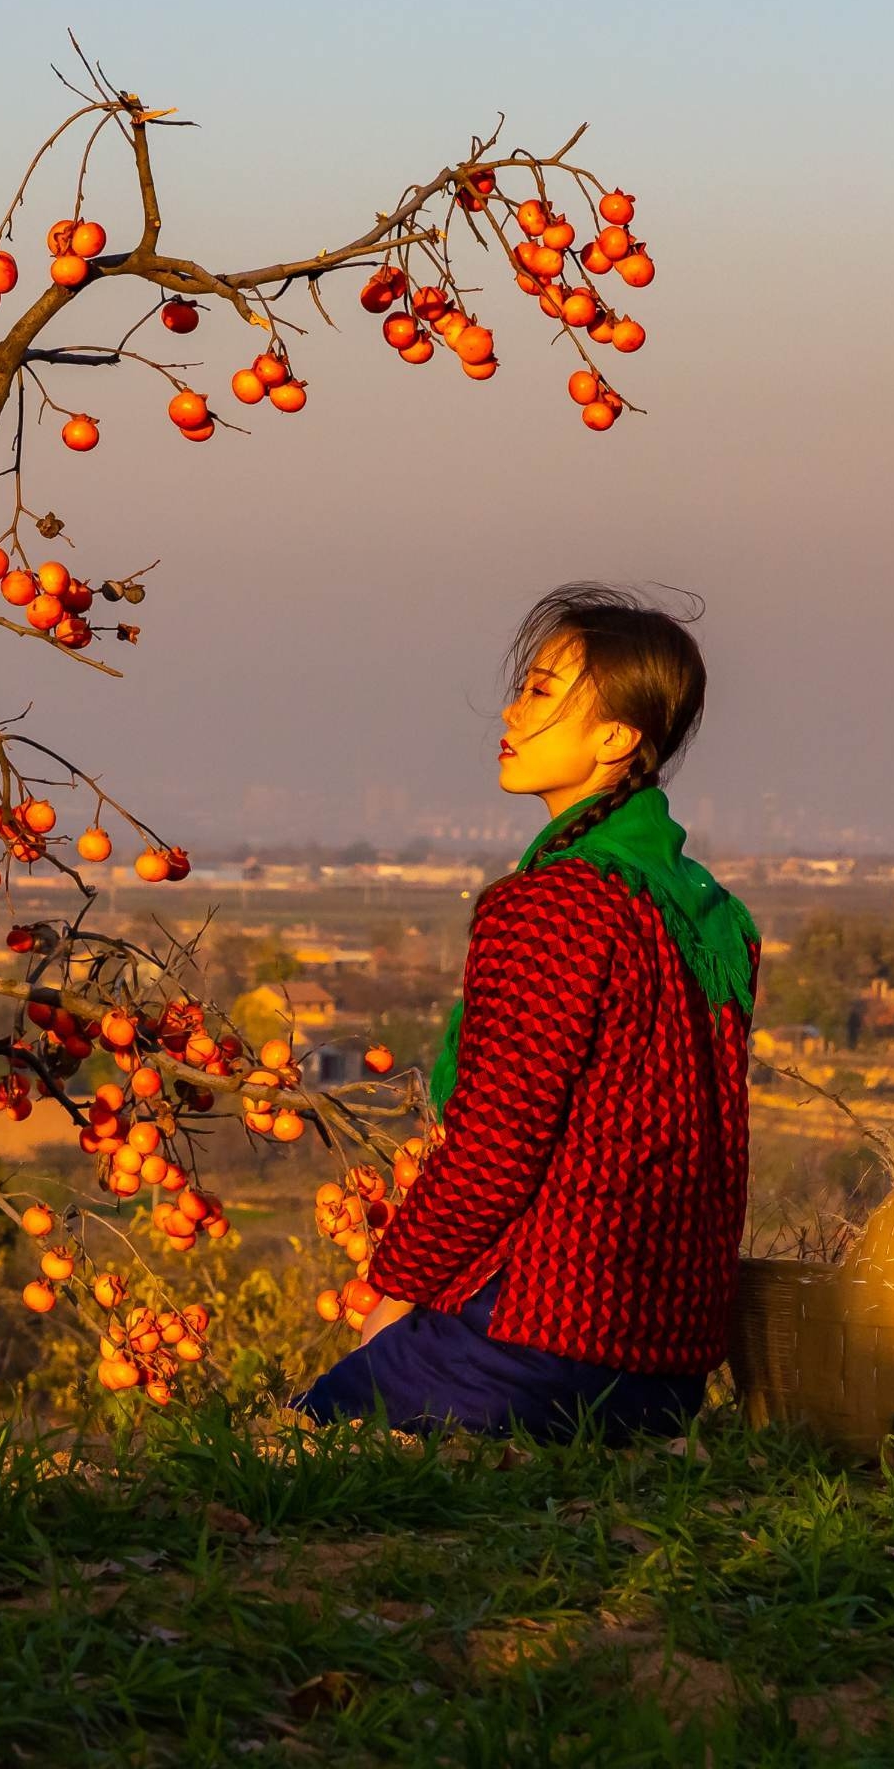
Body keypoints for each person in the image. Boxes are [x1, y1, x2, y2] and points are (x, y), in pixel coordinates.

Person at [294, 584, 759, 1442]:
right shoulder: (710, 916)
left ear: (616, 739)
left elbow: (496, 1147)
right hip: (669, 1370)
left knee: (302, 1434)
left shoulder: (554, 905)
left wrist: (393, 1295)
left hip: (543, 1343)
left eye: (543, 691)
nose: (511, 710)